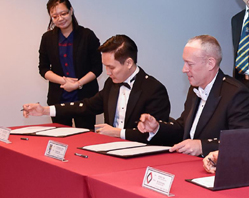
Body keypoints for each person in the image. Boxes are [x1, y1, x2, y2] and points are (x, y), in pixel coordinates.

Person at [23, 35, 170, 142]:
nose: (107, 72)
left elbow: (156, 134)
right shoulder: (110, 83)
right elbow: (86, 106)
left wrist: (119, 133)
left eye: (111, 67)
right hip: (110, 150)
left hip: (141, 158)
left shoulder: (154, 89)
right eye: (105, 66)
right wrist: (45, 110)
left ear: (129, 63)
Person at [139, 35, 249, 157]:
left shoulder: (236, 94)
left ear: (210, 63)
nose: (184, 69)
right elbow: (184, 128)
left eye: (189, 64)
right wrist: (157, 127)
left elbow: (243, 141)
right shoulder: (195, 88)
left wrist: (202, 146)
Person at [38, 0, 102, 130]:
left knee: (85, 138)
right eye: (55, 16)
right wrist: (63, 81)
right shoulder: (47, 38)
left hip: (85, 98)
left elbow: (97, 68)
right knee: (60, 139)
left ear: (71, 11)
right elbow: (43, 69)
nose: (60, 19)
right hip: (58, 98)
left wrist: (77, 84)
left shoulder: (87, 35)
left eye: (63, 13)